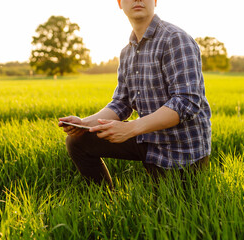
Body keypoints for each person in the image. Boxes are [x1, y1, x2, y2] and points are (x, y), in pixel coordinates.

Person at [59, 0, 211, 189]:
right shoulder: (127, 52)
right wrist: (84, 124)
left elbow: (186, 102)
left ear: (155, 1)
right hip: (148, 138)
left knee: (168, 213)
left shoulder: (175, 39)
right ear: (120, 3)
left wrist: (131, 128)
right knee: (77, 141)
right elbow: (122, 103)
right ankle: (105, 202)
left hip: (180, 149)